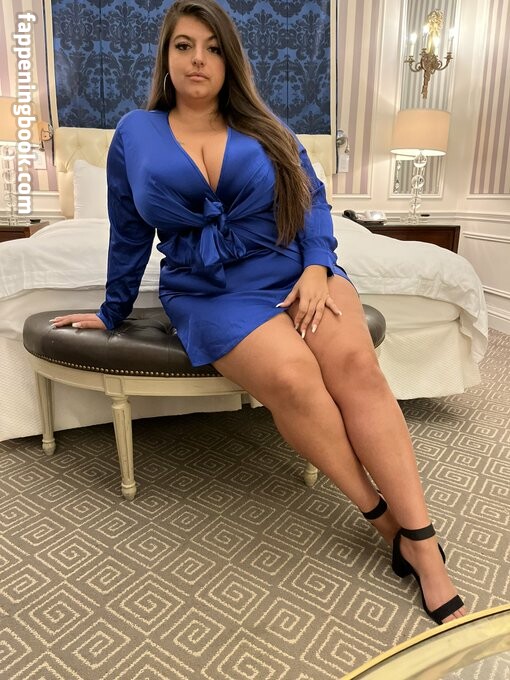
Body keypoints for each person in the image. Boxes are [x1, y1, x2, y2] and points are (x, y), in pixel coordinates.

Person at [50, 0, 465, 625]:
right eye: (185, 45)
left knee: (357, 366)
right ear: (165, 56)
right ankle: (384, 521)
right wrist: (111, 311)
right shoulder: (134, 132)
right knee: (295, 377)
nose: (198, 59)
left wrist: (318, 267)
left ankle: (425, 545)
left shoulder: (265, 124)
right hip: (207, 290)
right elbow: (129, 231)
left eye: (213, 48)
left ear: (230, 60)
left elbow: (312, 198)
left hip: (292, 267)